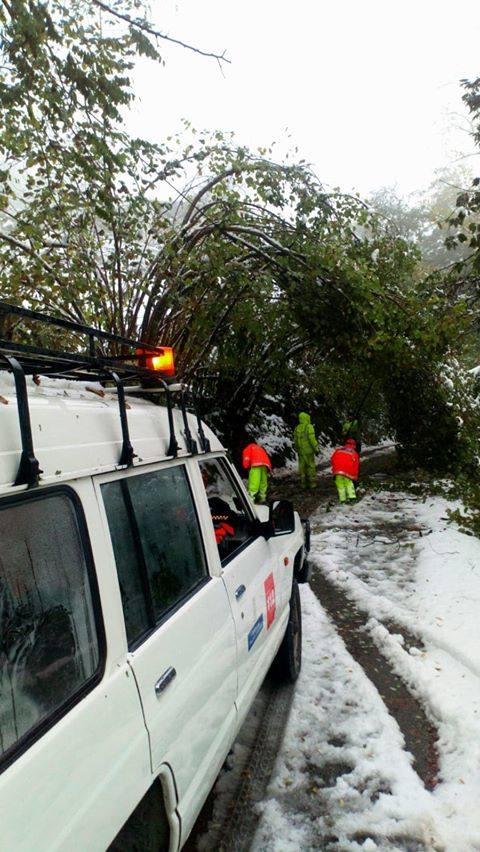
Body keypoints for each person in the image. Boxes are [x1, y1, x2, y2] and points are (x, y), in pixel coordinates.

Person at [331, 437, 360, 504]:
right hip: (348, 472)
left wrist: (335, 469)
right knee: (349, 484)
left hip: (337, 472)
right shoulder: (354, 453)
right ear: (354, 445)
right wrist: (355, 476)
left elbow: (332, 459)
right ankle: (352, 498)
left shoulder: (338, 450)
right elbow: (356, 466)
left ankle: (342, 500)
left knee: (340, 486)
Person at [294, 412, 318, 490]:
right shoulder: (309, 427)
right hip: (309, 452)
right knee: (310, 467)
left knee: (302, 467)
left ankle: (303, 484)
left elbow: (296, 441)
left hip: (301, 452)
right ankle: (312, 484)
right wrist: (316, 449)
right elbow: (312, 440)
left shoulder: (297, 428)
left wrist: (297, 449)